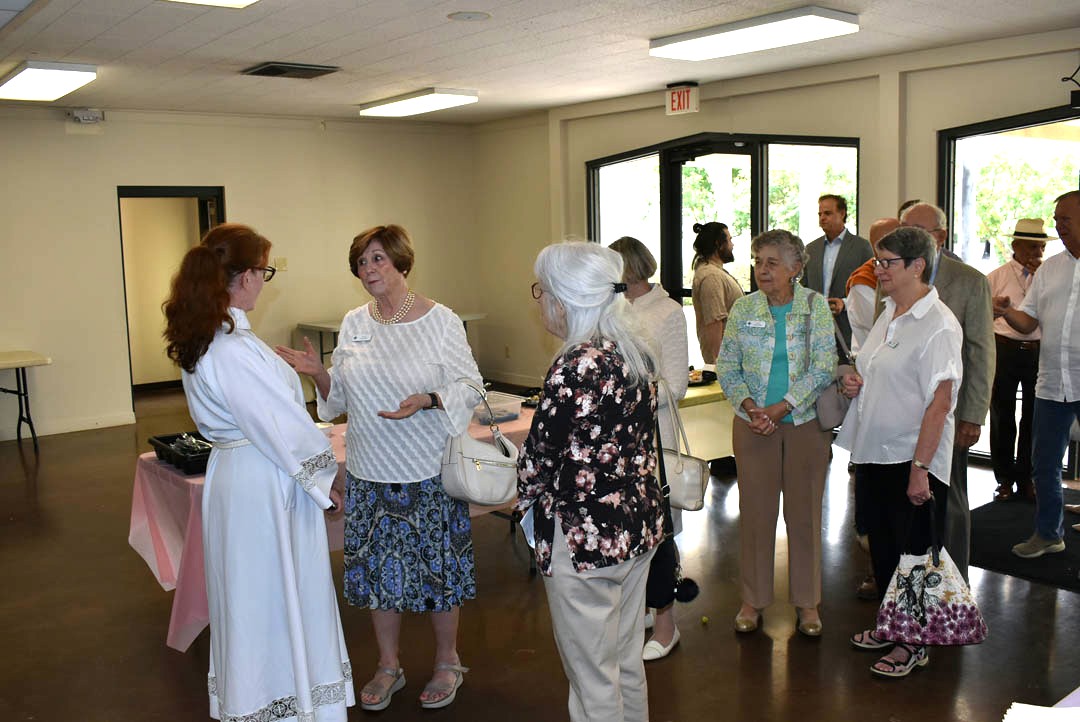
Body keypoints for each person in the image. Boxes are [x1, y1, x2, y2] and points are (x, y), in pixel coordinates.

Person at [276, 224, 482, 711]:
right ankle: (389, 665)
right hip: (370, 472)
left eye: (377, 259)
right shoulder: (354, 323)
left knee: (438, 573)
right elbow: (340, 400)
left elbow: (471, 387)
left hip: (427, 471)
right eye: (361, 262)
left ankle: (448, 661)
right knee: (378, 577)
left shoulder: (441, 321)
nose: (368, 269)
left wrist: (428, 400)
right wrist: (319, 374)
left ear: (401, 262)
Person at [162, 223, 355, 722]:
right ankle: (281, 703)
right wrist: (327, 475)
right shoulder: (230, 349)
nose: (264, 283)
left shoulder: (215, 338)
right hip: (263, 479)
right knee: (268, 592)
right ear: (245, 276)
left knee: (258, 591)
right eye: (263, 272)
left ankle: (283, 698)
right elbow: (277, 424)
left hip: (247, 473)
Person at [517, 241, 664, 722]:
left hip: (585, 539)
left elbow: (538, 459)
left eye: (541, 290)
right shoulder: (634, 352)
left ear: (564, 299)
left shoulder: (577, 364)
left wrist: (522, 493)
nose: (540, 300)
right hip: (636, 525)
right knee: (625, 661)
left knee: (593, 677)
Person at [837, 226, 963, 679]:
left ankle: (913, 643)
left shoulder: (938, 325)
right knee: (884, 547)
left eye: (887, 262)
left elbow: (940, 403)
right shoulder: (889, 310)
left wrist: (920, 469)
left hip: (911, 457)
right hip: (875, 450)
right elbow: (878, 368)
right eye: (878, 261)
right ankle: (893, 626)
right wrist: (855, 380)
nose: (878, 270)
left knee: (913, 554)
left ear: (917, 266)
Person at [716, 229, 835, 636]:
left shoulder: (815, 307)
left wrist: (782, 406)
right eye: (757, 262)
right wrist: (752, 407)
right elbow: (727, 365)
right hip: (753, 426)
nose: (762, 270)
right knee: (755, 515)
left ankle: (807, 602)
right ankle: (753, 600)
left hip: (804, 426)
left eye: (771, 263)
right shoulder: (743, 308)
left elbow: (823, 367)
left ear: (795, 267)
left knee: (804, 515)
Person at [608, 237, 695, 662]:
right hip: (617, 442)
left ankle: (667, 625)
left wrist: (622, 395)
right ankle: (641, 608)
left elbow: (675, 384)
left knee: (658, 535)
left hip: (653, 437)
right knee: (630, 531)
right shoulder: (612, 310)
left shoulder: (668, 312)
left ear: (629, 268)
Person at [900, 202, 994, 581]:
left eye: (915, 230)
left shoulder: (970, 282)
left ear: (939, 237)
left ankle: (954, 582)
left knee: (949, 498)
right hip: (901, 410)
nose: (905, 237)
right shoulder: (890, 277)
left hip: (948, 413)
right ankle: (907, 578)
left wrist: (973, 414)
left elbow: (981, 352)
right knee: (903, 495)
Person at [994, 190, 1080, 558]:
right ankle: (1048, 533)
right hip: (1051, 382)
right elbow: (1028, 322)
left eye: (1065, 219)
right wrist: (1005, 311)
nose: (1059, 226)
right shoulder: (1050, 270)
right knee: (1044, 464)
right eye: (1057, 220)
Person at [843, 216, 901, 601]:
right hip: (872, 415)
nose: (879, 266)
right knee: (872, 508)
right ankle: (878, 576)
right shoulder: (870, 288)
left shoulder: (928, 313)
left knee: (899, 514)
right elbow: (869, 347)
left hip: (904, 431)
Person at [987, 219, 1049, 501]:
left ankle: (1027, 478)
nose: (1037, 253)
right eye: (1032, 247)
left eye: (1041, 247)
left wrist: (1040, 277)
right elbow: (983, 315)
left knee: (1034, 416)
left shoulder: (1047, 276)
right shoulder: (996, 277)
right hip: (1004, 348)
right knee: (1002, 415)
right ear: (1016, 246)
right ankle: (1004, 480)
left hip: (1038, 349)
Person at [802, 194, 873, 351]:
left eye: (827, 213)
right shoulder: (811, 249)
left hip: (848, 327)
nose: (822, 218)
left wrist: (845, 303)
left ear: (842, 214)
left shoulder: (861, 247)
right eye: (820, 214)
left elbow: (871, 288)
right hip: (816, 328)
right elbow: (803, 285)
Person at [690, 221, 743, 364]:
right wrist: (718, 366)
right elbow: (714, 323)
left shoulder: (715, 272)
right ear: (718, 244)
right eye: (729, 240)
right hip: (727, 364)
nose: (732, 245)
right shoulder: (711, 277)